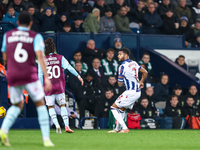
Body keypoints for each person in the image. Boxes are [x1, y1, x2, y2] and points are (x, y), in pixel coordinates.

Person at [0, 11, 54, 147]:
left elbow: (5, 58)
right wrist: (47, 78)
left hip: (12, 75)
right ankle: (46, 138)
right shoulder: (35, 36)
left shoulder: (7, 35)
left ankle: (4, 129)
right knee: (40, 103)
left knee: (17, 105)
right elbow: (40, 57)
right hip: (29, 74)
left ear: (17, 23)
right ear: (31, 23)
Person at [38, 37, 84, 134]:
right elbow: (69, 68)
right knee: (62, 105)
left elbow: (40, 75)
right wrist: (78, 76)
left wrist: (41, 86)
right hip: (59, 85)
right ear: (54, 49)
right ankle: (67, 126)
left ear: (45, 50)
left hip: (48, 86)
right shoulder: (60, 57)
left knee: (50, 107)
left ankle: (57, 125)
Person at [107, 47, 148, 133]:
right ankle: (117, 129)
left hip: (131, 91)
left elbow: (119, 83)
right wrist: (141, 82)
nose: (118, 56)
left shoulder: (122, 66)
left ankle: (125, 128)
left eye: (120, 54)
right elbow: (145, 72)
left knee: (113, 108)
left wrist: (120, 80)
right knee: (121, 109)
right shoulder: (134, 63)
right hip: (137, 91)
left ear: (126, 55)